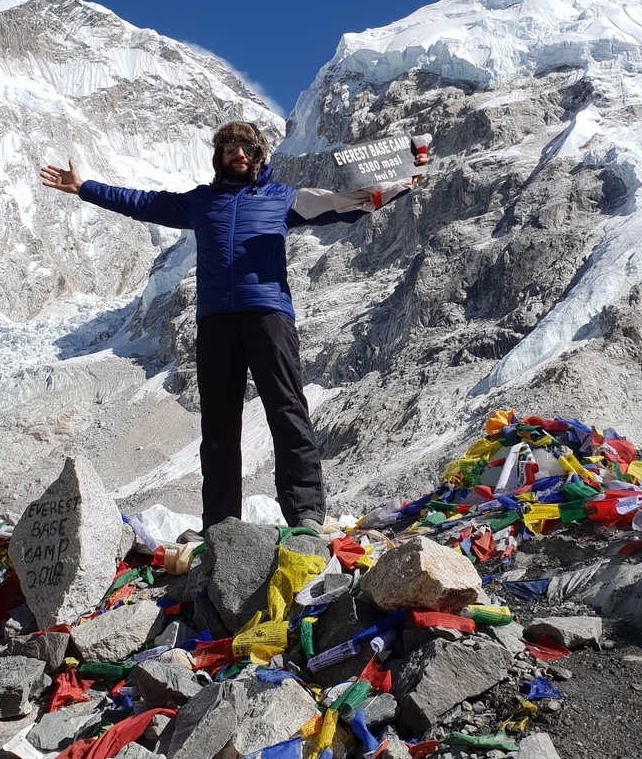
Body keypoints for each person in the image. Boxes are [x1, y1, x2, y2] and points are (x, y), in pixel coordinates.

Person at [40, 121, 426, 530]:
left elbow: (346, 202)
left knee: (287, 411)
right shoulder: (200, 202)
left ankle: (307, 513)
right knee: (218, 425)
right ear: (219, 157)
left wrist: (404, 177)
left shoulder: (284, 198)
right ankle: (221, 524)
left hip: (269, 316)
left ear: (258, 155)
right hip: (215, 322)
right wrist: (85, 187)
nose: (238, 153)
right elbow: (143, 202)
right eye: (230, 148)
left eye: (246, 147)